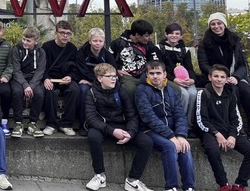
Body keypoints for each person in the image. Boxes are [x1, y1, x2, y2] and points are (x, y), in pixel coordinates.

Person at [84, 63, 153, 191]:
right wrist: (112, 131)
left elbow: (132, 115)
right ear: (100, 78)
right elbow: (91, 119)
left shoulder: (121, 90)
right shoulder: (91, 93)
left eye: (115, 76)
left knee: (146, 142)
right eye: (109, 76)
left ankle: (133, 180)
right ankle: (99, 175)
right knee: (93, 136)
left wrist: (131, 133)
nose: (113, 79)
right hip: (103, 127)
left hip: (122, 126)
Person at [135, 60, 195, 191]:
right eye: (152, 73)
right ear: (147, 74)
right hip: (149, 130)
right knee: (170, 146)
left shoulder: (171, 91)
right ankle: (171, 186)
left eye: (158, 73)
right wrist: (171, 136)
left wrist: (181, 135)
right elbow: (148, 117)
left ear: (165, 74)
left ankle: (189, 187)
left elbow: (180, 115)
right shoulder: (142, 90)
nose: (155, 76)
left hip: (172, 131)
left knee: (185, 146)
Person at [196, 64, 250, 191]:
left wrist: (232, 135)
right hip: (209, 131)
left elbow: (236, 119)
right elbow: (201, 120)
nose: (219, 79)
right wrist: (216, 134)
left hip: (229, 130)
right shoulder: (203, 93)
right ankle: (223, 184)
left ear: (227, 79)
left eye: (222, 77)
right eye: (216, 76)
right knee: (213, 151)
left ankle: (239, 184)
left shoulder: (231, 95)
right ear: (210, 77)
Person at [198, 12, 250, 138]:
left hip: (234, 76)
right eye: (213, 24)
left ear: (224, 24)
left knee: (246, 91)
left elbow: (243, 65)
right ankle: (237, 129)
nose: (216, 26)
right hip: (216, 77)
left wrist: (236, 77)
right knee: (232, 91)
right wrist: (219, 76)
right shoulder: (205, 43)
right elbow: (203, 64)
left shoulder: (235, 40)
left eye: (219, 23)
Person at [74, 28, 116, 136]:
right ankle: (83, 123)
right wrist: (94, 82)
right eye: (95, 41)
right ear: (90, 41)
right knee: (83, 90)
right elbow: (82, 71)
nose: (98, 44)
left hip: (102, 82)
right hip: (87, 80)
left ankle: (113, 122)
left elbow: (113, 70)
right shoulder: (81, 53)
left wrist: (98, 83)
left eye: (100, 41)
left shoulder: (107, 55)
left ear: (103, 42)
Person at [158, 23, 198, 137]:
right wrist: (174, 79)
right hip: (170, 78)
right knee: (184, 94)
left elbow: (190, 68)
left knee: (193, 93)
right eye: (171, 33)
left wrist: (192, 80)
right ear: (166, 34)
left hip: (185, 79)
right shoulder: (159, 48)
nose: (174, 36)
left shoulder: (185, 50)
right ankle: (180, 124)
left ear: (181, 36)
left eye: (177, 34)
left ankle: (189, 125)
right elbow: (161, 67)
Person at [41, 20, 80, 136]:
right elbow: (41, 66)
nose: (65, 36)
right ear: (56, 33)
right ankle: (51, 124)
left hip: (65, 79)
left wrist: (70, 77)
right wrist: (45, 78)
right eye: (62, 33)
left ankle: (66, 124)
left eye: (68, 33)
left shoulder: (73, 49)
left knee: (75, 90)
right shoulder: (46, 47)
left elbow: (75, 68)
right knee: (49, 91)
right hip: (50, 78)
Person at [109, 19, 162, 98]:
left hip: (146, 75)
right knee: (131, 89)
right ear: (137, 35)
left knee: (175, 89)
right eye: (147, 36)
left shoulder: (149, 45)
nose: (150, 38)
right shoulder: (118, 43)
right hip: (126, 77)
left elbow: (155, 61)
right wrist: (116, 71)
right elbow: (108, 62)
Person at [9, 26, 46, 138]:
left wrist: (32, 85)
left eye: (28, 41)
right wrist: (25, 85)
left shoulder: (41, 52)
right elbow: (16, 70)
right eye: (24, 39)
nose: (25, 42)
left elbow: (40, 70)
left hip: (34, 78)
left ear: (36, 41)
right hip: (19, 78)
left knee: (39, 93)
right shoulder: (16, 50)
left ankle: (33, 123)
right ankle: (18, 123)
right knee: (17, 91)